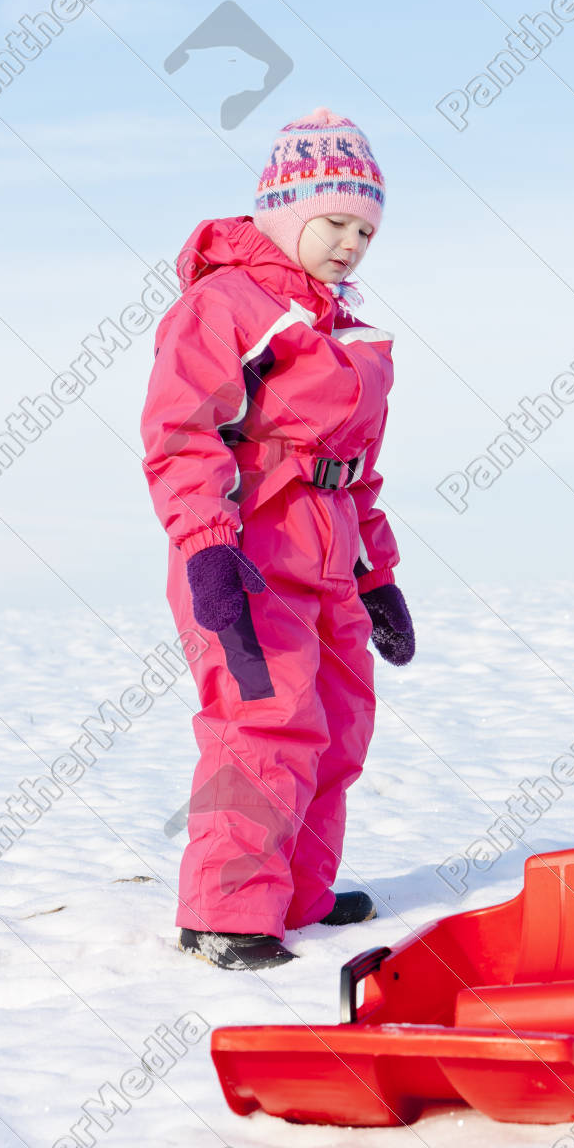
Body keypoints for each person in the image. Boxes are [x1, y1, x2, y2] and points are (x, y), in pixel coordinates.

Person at [140, 106, 415, 971]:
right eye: (333, 222)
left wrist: (377, 579)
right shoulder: (227, 305)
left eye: (365, 230)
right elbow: (183, 433)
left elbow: (356, 469)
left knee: (337, 726)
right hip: (249, 552)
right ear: (285, 209)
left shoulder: (348, 332)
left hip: (330, 556)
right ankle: (225, 911)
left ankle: (297, 891)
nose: (349, 243)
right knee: (263, 724)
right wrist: (210, 550)